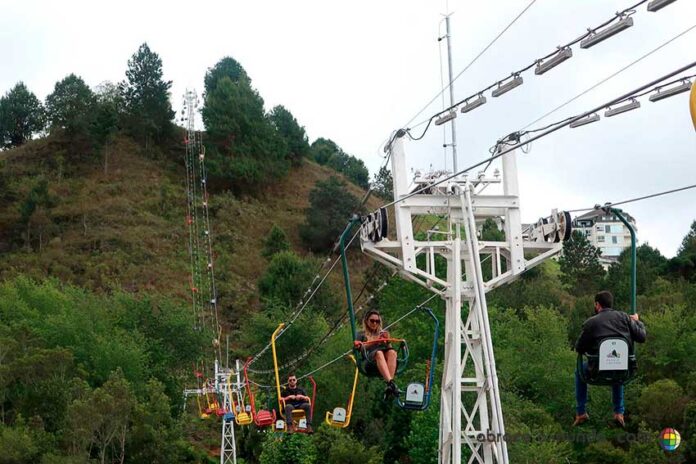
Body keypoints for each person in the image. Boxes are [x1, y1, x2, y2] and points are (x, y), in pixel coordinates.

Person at [574, 290, 646, 427]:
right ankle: (619, 412)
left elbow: (579, 348)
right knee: (617, 366)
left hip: (596, 369)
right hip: (624, 369)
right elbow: (641, 337)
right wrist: (637, 322)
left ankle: (581, 412)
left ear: (597, 304)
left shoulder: (591, 323)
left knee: (579, 372)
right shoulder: (625, 318)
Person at [354, 310, 399, 400]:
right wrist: (376, 341)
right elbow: (360, 349)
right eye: (372, 321)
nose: (374, 323)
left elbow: (389, 349)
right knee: (379, 353)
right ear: (367, 321)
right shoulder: (361, 334)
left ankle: (390, 384)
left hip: (384, 364)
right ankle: (391, 383)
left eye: (377, 321)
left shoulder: (381, 333)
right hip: (370, 362)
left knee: (393, 353)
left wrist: (387, 341)